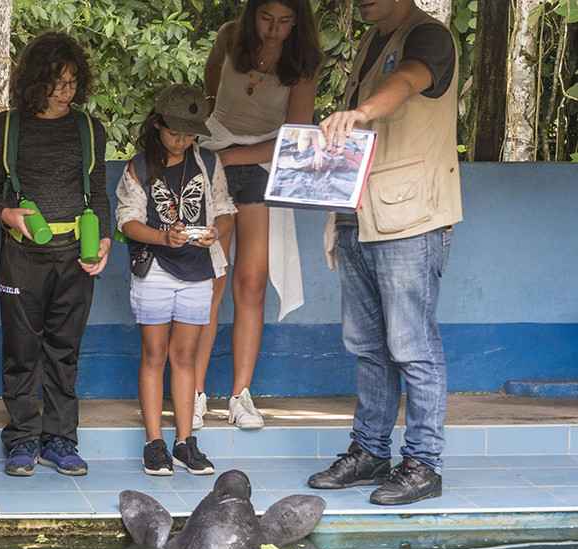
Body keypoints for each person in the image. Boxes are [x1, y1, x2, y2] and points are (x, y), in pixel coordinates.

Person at [307, 0, 461, 505]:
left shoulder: (428, 37)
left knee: (413, 345)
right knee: (368, 346)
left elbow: (410, 79)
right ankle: (371, 452)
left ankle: (423, 463)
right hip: (359, 216)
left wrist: (362, 110)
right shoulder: (372, 40)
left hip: (408, 219)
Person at [0, 31, 110, 477]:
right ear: (35, 81)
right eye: (56, 83)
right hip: (22, 255)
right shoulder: (5, 127)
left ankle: (60, 439)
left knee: (64, 350)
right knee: (21, 350)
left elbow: (97, 193)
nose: (65, 93)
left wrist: (105, 239)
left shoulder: (90, 128)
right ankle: (21, 439)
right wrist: (7, 215)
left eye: (73, 83)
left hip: (76, 254)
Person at [195, 0, 322, 430]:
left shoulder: (303, 60)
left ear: (297, 22)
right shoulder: (229, 36)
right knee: (210, 280)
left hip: (263, 163)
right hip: (214, 157)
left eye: (285, 21)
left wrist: (233, 156)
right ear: (252, 15)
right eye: (267, 18)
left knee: (250, 283)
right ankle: (193, 392)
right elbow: (210, 98)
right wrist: (218, 149)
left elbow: (296, 136)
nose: (274, 29)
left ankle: (240, 396)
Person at [114, 85, 235, 475]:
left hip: (198, 272)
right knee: (155, 355)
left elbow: (225, 209)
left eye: (189, 134)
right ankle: (154, 443)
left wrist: (216, 230)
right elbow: (127, 221)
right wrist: (164, 236)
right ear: (157, 124)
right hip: (156, 272)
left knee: (185, 357)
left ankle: (185, 443)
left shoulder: (209, 164)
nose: (182, 140)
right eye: (174, 132)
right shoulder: (139, 167)